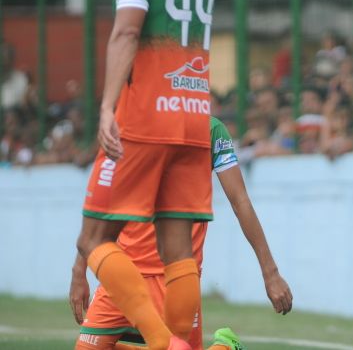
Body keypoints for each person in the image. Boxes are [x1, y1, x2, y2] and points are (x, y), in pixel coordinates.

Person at [75, 0, 219, 350]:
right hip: (194, 117)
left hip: (146, 117)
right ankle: (180, 341)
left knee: (94, 240)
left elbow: (128, 30)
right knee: (177, 249)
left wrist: (106, 108)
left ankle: (161, 342)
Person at [70, 116, 292, 349]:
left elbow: (240, 201)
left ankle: (225, 347)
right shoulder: (128, 124)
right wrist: (79, 271)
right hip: (122, 273)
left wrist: (271, 273)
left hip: (175, 277)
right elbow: (102, 204)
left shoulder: (211, 130)